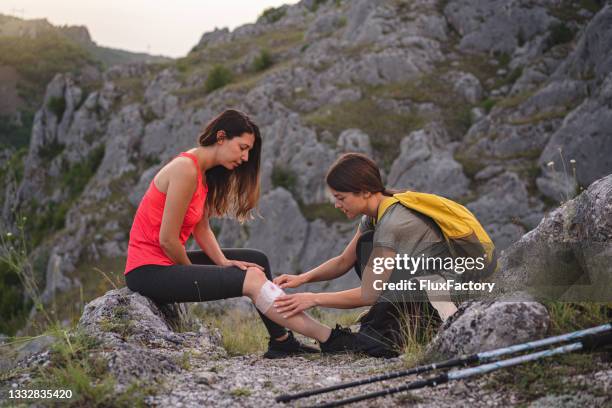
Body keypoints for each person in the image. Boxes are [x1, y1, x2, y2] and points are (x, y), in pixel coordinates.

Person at [123, 109, 353, 358]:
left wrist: (223, 262)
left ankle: (282, 342)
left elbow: (201, 228)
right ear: (221, 137)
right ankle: (331, 339)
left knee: (257, 261)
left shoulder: (201, 172)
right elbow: (167, 240)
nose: (245, 158)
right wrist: (193, 274)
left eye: (248, 152)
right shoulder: (185, 170)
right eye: (242, 147)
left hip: (165, 264)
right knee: (253, 279)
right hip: (147, 272)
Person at [273, 153, 462, 357]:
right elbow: (343, 261)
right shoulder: (374, 216)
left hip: (443, 299)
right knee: (365, 243)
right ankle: (394, 326)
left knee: (373, 345)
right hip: (417, 287)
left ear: (364, 191)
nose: (337, 205)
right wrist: (302, 278)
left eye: (341, 198)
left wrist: (313, 299)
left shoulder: (393, 223)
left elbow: (370, 293)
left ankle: (419, 328)